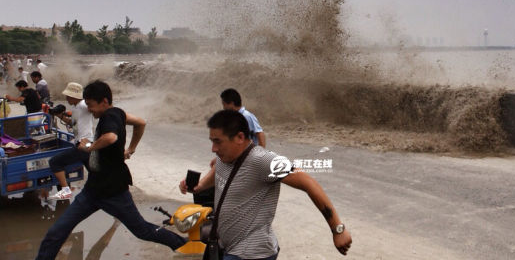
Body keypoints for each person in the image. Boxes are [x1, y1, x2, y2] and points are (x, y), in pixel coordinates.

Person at [35, 80, 187, 260]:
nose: (90, 110)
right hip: (92, 191)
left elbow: (111, 137)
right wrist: (131, 149)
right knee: (57, 231)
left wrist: (89, 147)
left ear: (105, 102)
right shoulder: (120, 113)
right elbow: (141, 122)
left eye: (91, 106)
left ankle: (184, 245)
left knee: (142, 230)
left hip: (114, 193)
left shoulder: (110, 117)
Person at [179, 110, 352, 260]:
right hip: (226, 247)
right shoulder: (225, 155)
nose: (213, 148)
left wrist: (338, 229)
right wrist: (200, 185)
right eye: (212, 141)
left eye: (218, 141)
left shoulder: (263, 160)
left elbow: (308, 182)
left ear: (240, 137)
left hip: (251, 253)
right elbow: (219, 169)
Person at [47, 82, 95, 200]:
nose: (66, 98)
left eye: (68, 96)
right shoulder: (75, 107)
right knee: (95, 173)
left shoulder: (84, 105)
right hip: (85, 144)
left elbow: (95, 109)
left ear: (75, 96)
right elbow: (73, 124)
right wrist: (60, 116)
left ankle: (65, 190)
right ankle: (110, 193)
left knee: (55, 162)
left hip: (85, 143)